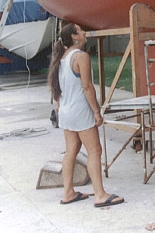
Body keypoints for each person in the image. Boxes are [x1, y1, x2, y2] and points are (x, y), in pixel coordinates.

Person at [47, 23, 124, 208]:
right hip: (80, 111)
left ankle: (68, 192)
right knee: (94, 150)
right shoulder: (81, 57)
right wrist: (97, 111)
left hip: (65, 111)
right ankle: (100, 194)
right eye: (80, 30)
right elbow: (87, 87)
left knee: (71, 150)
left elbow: (57, 90)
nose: (84, 32)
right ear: (74, 36)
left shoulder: (61, 58)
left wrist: (61, 109)